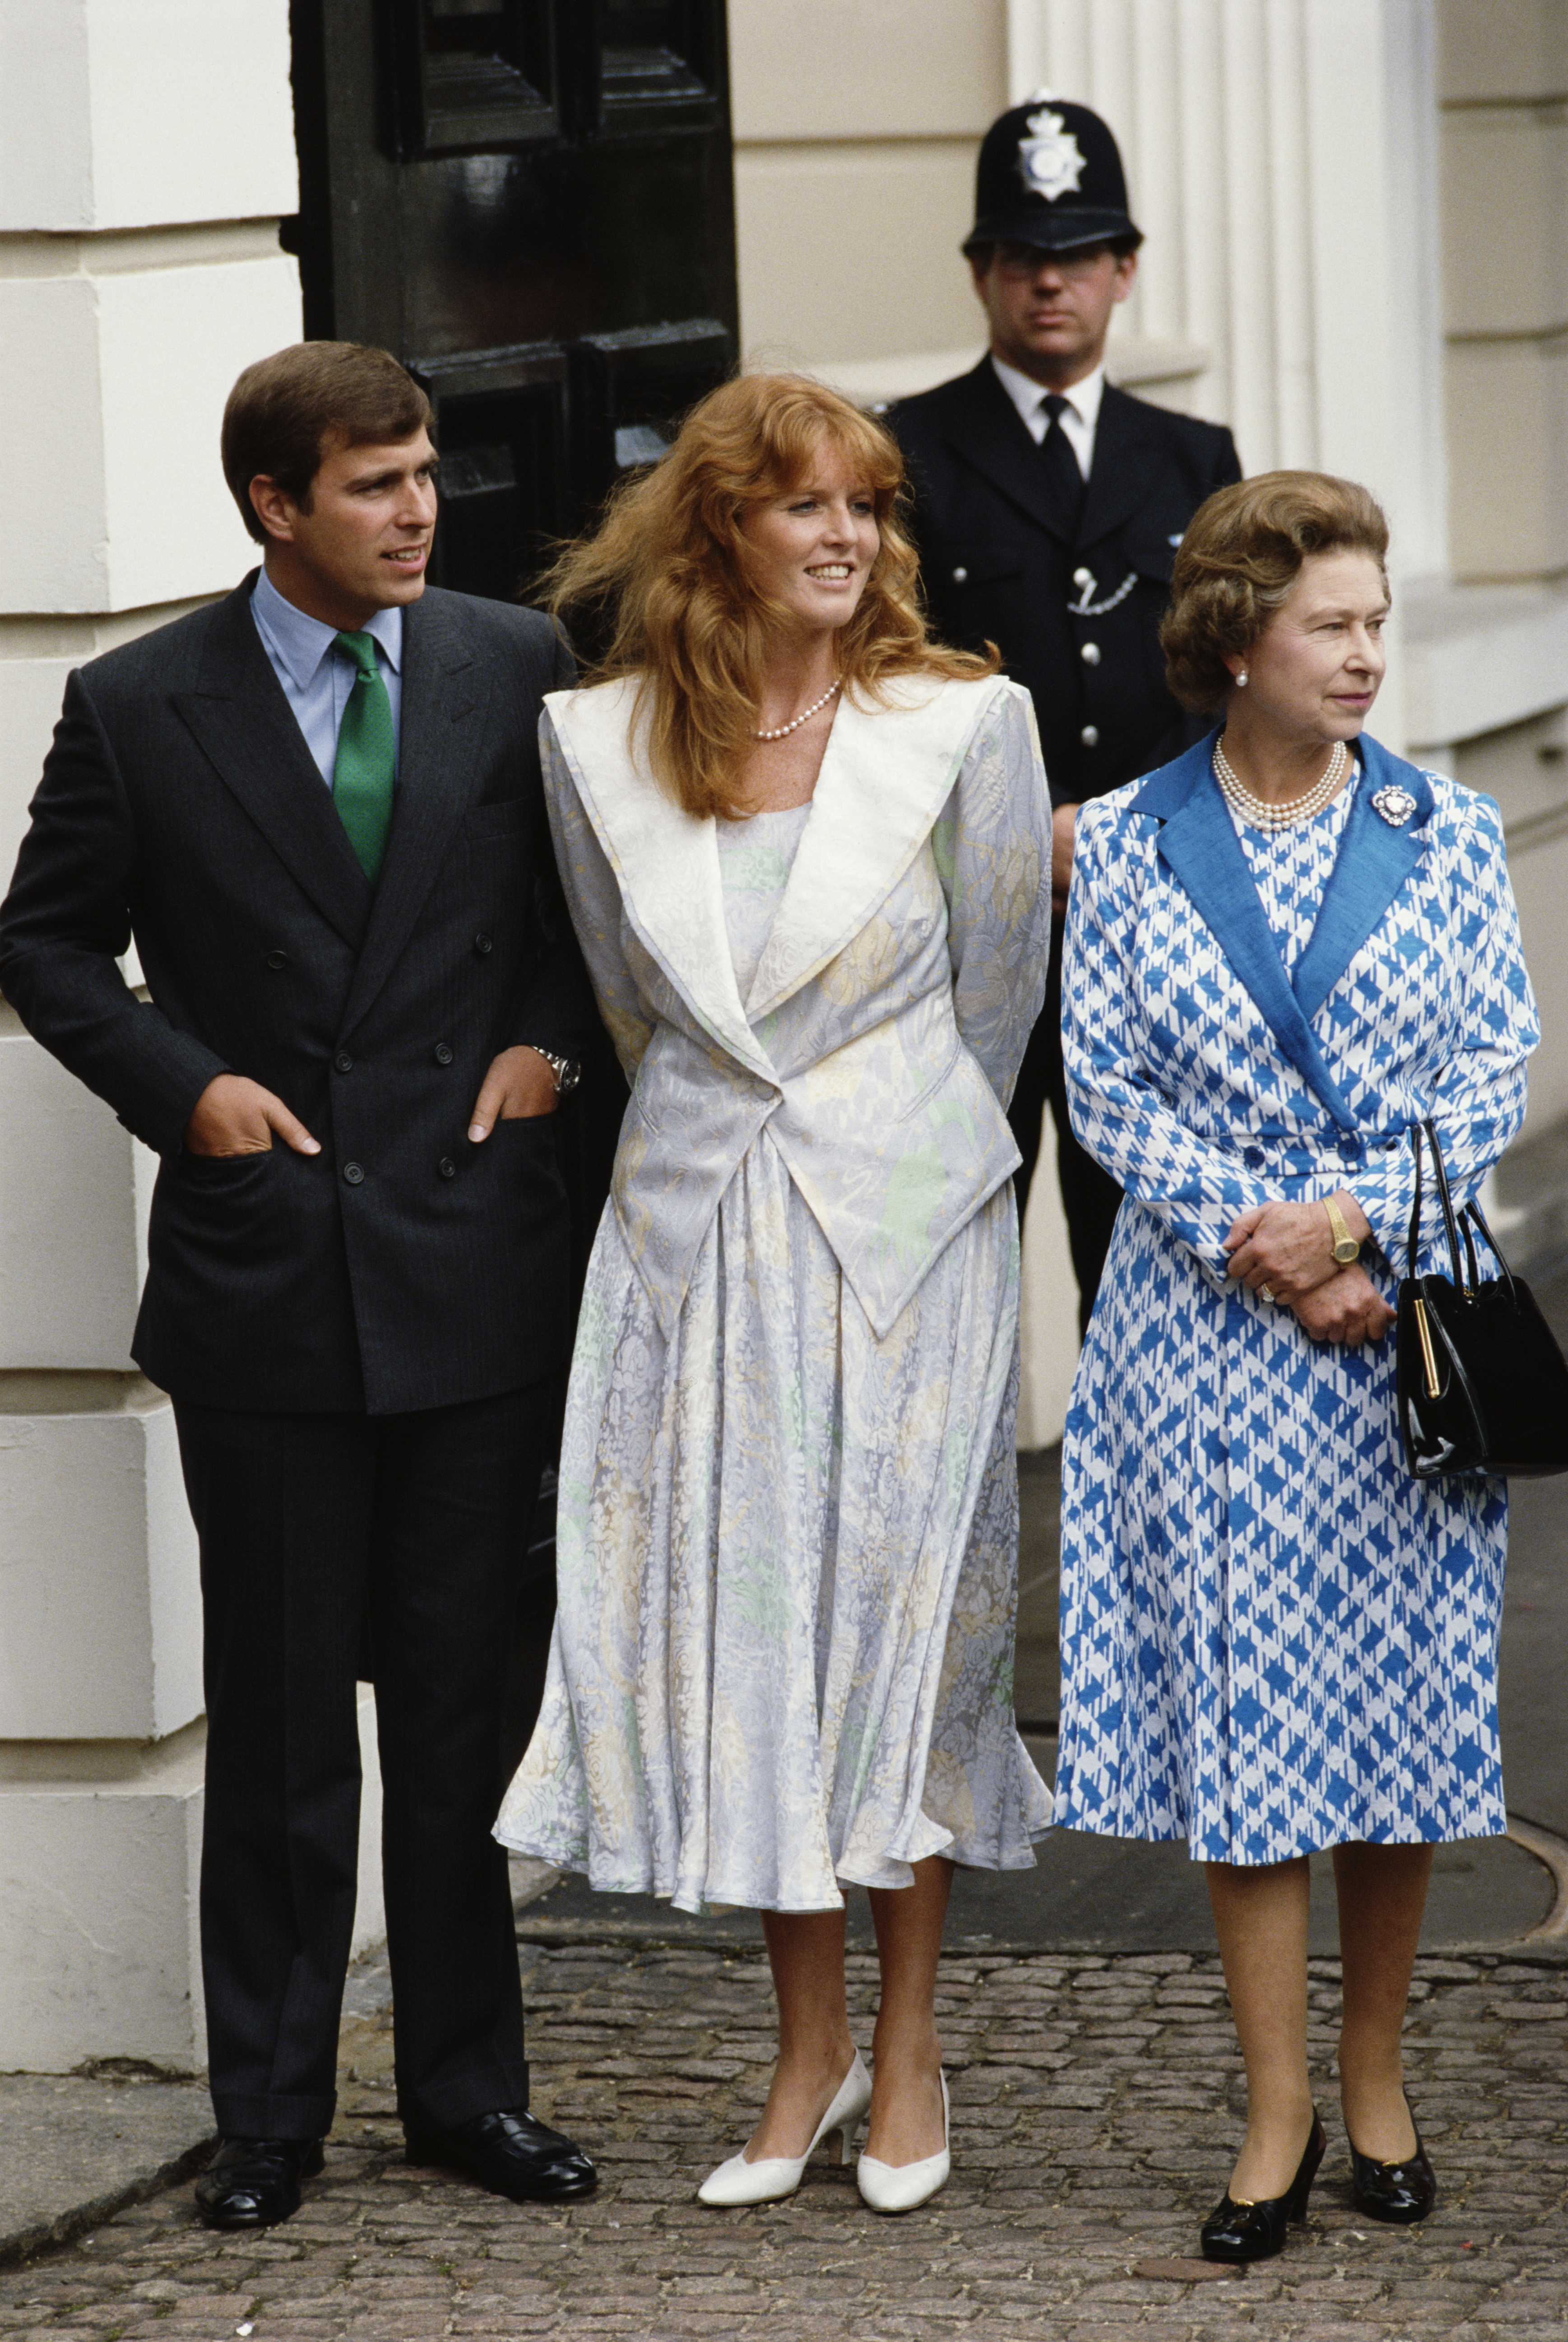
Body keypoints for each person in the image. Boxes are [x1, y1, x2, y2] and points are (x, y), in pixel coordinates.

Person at [0, 342, 600, 2229]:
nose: (421, 509)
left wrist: (550, 1051)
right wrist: (191, 1092)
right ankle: (266, 2110)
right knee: (273, 1722)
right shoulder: (139, 699)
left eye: (427, 475)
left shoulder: (520, 664)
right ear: (278, 504)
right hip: (270, 1276)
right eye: (376, 482)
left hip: (474, 1260)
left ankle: (464, 2094)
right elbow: (43, 938)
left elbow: (611, 911)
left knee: (454, 1714)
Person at [495, 374, 1054, 2214]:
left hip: (902, 1235)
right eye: (808, 506)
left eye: (869, 509)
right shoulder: (596, 744)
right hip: (697, 1239)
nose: (847, 539)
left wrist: (890, 1156)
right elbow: (633, 1006)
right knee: (752, 1652)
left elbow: (996, 1000)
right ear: (716, 528)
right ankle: (800, 2054)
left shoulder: (964, 725)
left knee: (898, 1651)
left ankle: (904, 2055)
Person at [1052, 472, 1538, 2262]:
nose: (1362, 654)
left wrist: (1349, 1226)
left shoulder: (1450, 829)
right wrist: (1256, 1241)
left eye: (1375, 621)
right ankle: (1270, 2116)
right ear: (1235, 633)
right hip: (1203, 1346)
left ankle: (1377, 2075)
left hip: (1401, 1335)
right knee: (1251, 1725)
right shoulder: (1117, 839)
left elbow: (1492, 1067)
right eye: (1328, 622)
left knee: (1396, 1718)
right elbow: (1100, 1089)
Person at [888, 96, 1241, 1331]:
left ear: (1123, 271)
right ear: (982, 272)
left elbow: (1226, 678)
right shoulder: (907, 452)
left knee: (1144, 1280)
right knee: (953, 1269)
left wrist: (1131, 828)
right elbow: (892, 677)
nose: (1051, 284)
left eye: (1078, 257)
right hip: (975, 926)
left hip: (1148, 924)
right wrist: (1012, 830)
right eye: (1023, 258)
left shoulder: (1195, 459)